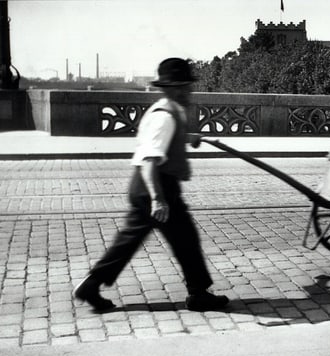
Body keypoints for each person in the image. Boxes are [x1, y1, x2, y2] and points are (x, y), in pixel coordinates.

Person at [73, 58, 229, 312]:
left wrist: (190, 137)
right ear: (172, 88)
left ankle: (91, 285)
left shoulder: (166, 110)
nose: (189, 90)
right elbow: (149, 160)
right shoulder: (164, 117)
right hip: (156, 187)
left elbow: (160, 141)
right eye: (185, 86)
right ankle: (198, 293)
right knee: (186, 240)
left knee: (129, 242)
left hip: (148, 187)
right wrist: (158, 198)